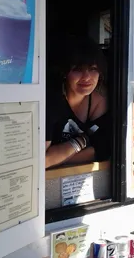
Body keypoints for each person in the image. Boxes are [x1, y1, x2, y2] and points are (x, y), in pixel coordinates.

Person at [45, 35, 110, 169]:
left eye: (93, 69)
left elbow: (102, 151)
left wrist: (57, 157)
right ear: (64, 72)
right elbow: (41, 160)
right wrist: (82, 141)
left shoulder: (101, 102)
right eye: (78, 69)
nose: (86, 77)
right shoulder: (51, 101)